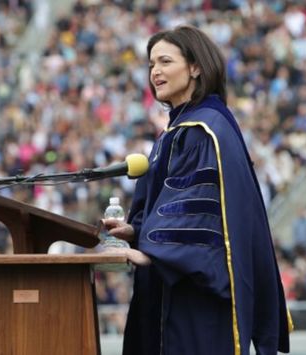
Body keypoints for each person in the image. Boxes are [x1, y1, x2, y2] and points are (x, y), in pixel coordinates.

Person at [102, 25, 292, 355]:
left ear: (195, 67)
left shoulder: (205, 129)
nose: (155, 72)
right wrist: (138, 230)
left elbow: (199, 217)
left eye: (164, 61)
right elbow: (172, 205)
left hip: (198, 303)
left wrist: (153, 250)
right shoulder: (176, 131)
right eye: (151, 65)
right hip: (175, 293)